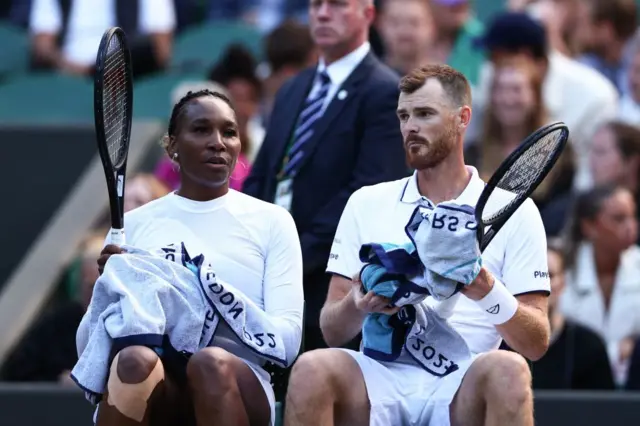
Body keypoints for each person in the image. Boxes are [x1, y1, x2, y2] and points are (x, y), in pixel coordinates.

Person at [284, 64, 551, 426]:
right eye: (403, 115)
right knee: (311, 366)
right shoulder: (367, 202)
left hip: (465, 374)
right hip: (379, 375)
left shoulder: (517, 212)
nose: (410, 126)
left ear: (462, 119)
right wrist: (359, 303)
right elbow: (332, 329)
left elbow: (535, 342)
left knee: (510, 368)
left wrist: (485, 288)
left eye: (424, 114)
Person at [94, 89, 304, 426]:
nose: (218, 142)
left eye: (229, 132)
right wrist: (112, 290)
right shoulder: (132, 226)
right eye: (202, 129)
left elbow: (289, 341)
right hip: (163, 379)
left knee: (209, 363)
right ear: (172, 146)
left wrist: (207, 296)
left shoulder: (273, 221)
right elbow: (91, 344)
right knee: (131, 360)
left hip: (239, 379)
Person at [242, 0, 409, 351]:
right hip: (267, 274)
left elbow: (366, 193)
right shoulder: (292, 88)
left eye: (337, 4)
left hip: (330, 283)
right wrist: (250, 250)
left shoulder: (384, 92)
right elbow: (262, 177)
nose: (322, 13)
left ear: (368, 14)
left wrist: (292, 257)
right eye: (316, 4)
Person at [530, 239, 615, 390]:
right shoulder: (500, 345)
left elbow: (605, 410)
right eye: (532, 275)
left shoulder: (589, 347)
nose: (541, 284)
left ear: (563, 282)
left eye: (549, 275)